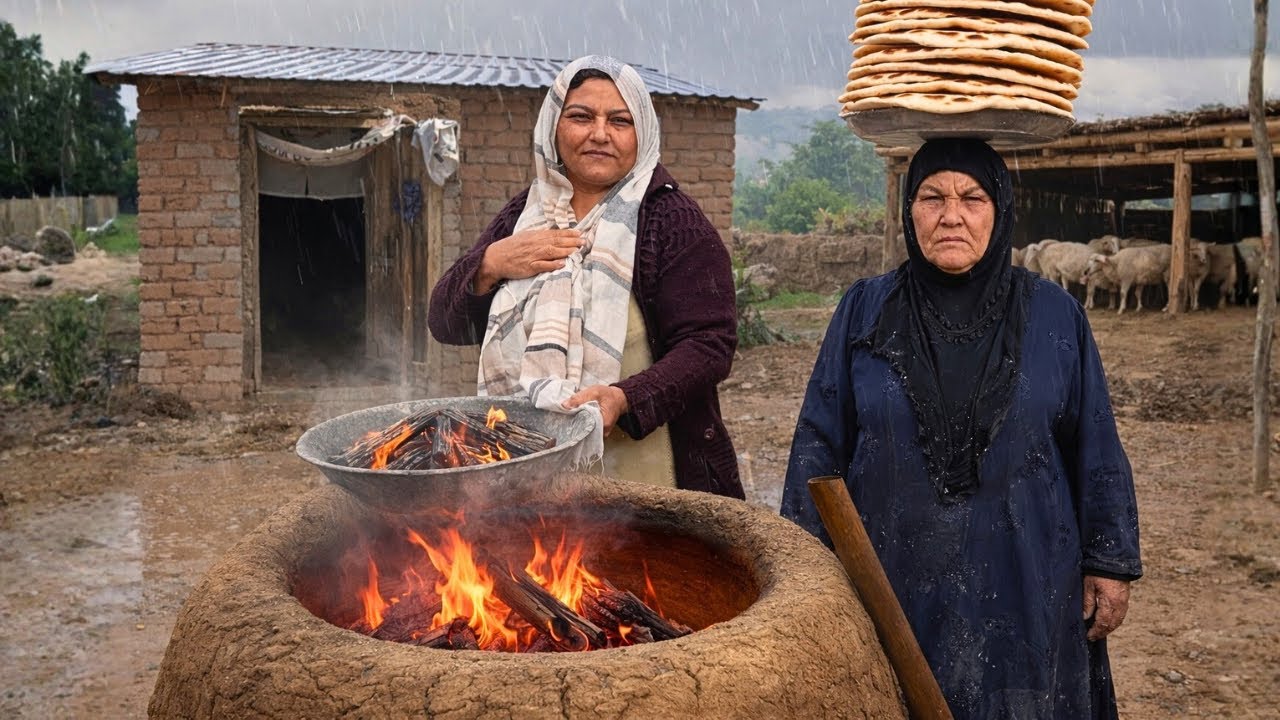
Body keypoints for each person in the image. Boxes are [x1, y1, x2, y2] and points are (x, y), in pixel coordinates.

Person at [780, 138, 1142, 718]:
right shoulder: (865, 309)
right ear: (909, 212)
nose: (951, 216)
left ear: (1000, 211)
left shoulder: (1055, 313)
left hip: (1028, 571)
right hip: (892, 574)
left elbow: (1094, 441)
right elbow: (819, 441)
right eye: (932, 198)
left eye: (972, 198)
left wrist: (1109, 561)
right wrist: (801, 568)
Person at [427, 55, 742, 499]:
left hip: (650, 475)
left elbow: (710, 345)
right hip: (534, 471)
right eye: (580, 117)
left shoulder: (672, 222)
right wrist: (491, 264)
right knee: (550, 546)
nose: (600, 134)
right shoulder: (524, 216)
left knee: (642, 543)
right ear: (553, 127)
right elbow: (444, 322)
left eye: (620, 121)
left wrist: (625, 398)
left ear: (642, 132)